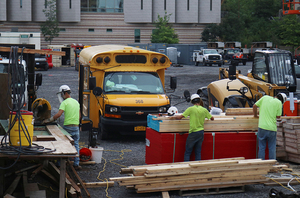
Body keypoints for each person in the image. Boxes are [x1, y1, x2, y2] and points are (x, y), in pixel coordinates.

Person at [43, 85, 81, 170]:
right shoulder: (76, 102)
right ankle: (76, 163)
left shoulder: (65, 103)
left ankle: (59, 163)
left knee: (62, 143)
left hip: (68, 127)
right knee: (76, 144)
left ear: (65, 93)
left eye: (62, 94)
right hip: (76, 127)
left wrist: (49, 120)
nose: (62, 96)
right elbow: (79, 116)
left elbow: (59, 114)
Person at [173, 94, 214, 161]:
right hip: (201, 133)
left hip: (193, 133)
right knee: (198, 152)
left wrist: (173, 117)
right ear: (199, 100)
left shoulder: (190, 109)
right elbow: (212, 118)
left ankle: (186, 166)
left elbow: (180, 117)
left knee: (188, 152)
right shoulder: (204, 110)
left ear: (192, 102)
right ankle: (197, 168)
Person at [253, 93, 287, 160]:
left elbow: (254, 106)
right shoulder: (279, 102)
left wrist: (255, 116)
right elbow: (278, 116)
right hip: (272, 129)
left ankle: (261, 164)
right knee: (272, 147)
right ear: (282, 100)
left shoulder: (264, 97)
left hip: (262, 127)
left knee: (262, 147)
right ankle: (272, 165)